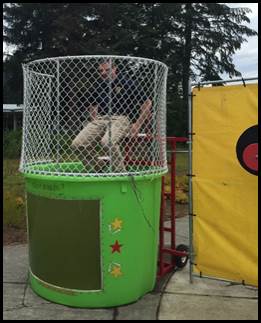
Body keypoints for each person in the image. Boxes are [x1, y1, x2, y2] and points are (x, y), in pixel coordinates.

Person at [71, 60, 152, 172]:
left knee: (107, 142)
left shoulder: (127, 83)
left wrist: (137, 125)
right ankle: (98, 166)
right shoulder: (99, 85)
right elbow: (93, 105)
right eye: (100, 71)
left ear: (114, 69)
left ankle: (121, 173)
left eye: (107, 70)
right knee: (77, 144)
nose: (103, 73)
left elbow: (147, 103)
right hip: (101, 118)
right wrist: (95, 121)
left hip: (121, 118)